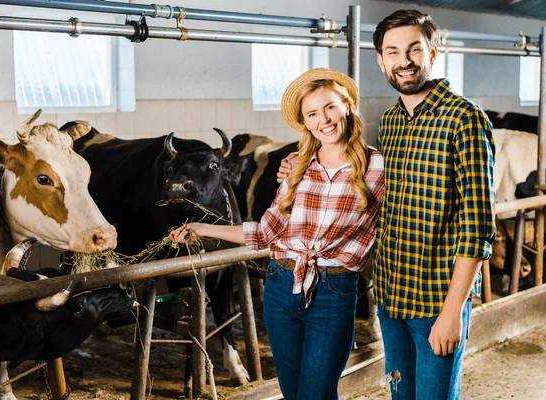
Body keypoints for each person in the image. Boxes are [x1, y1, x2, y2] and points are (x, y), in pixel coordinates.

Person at [279, 9, 496, 400]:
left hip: (436, 300)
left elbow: (478, 226)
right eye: (393, 51)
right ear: (380, 60)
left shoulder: (466, 119)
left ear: (433, 52)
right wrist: (296, 168)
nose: (404, 61)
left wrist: (452, 314)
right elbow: (352, 176)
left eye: (414, 49)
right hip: (393, 297)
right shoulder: (392, 122)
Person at [169, 68, 385, 400]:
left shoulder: (379, 167)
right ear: (305, 122)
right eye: (312, 113)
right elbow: (267, 232)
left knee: (316, 393)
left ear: (347, 106)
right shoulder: (297, 166)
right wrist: (200, 228)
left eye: (330, 107)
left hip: (333, 291)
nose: (323, 119)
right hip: (281, 287)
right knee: (295, 394)